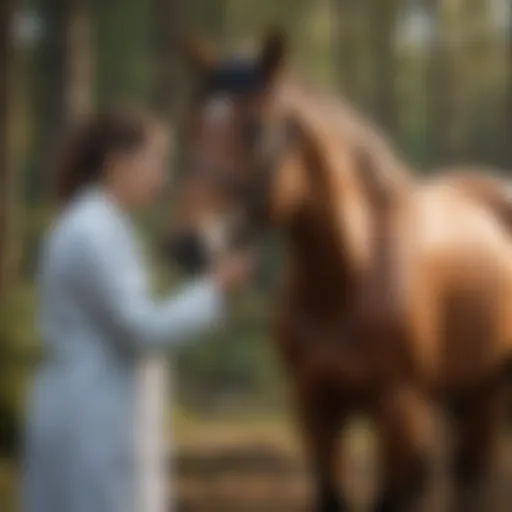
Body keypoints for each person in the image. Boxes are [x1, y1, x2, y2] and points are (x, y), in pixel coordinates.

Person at [22, 109, 253, 512]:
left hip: (101, 417)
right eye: (155, 160)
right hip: (90, 422)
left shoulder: (105, 225)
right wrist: (214, 288)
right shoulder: (91, 231)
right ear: (116, 162)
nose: (163, 177)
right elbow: (142, 329)